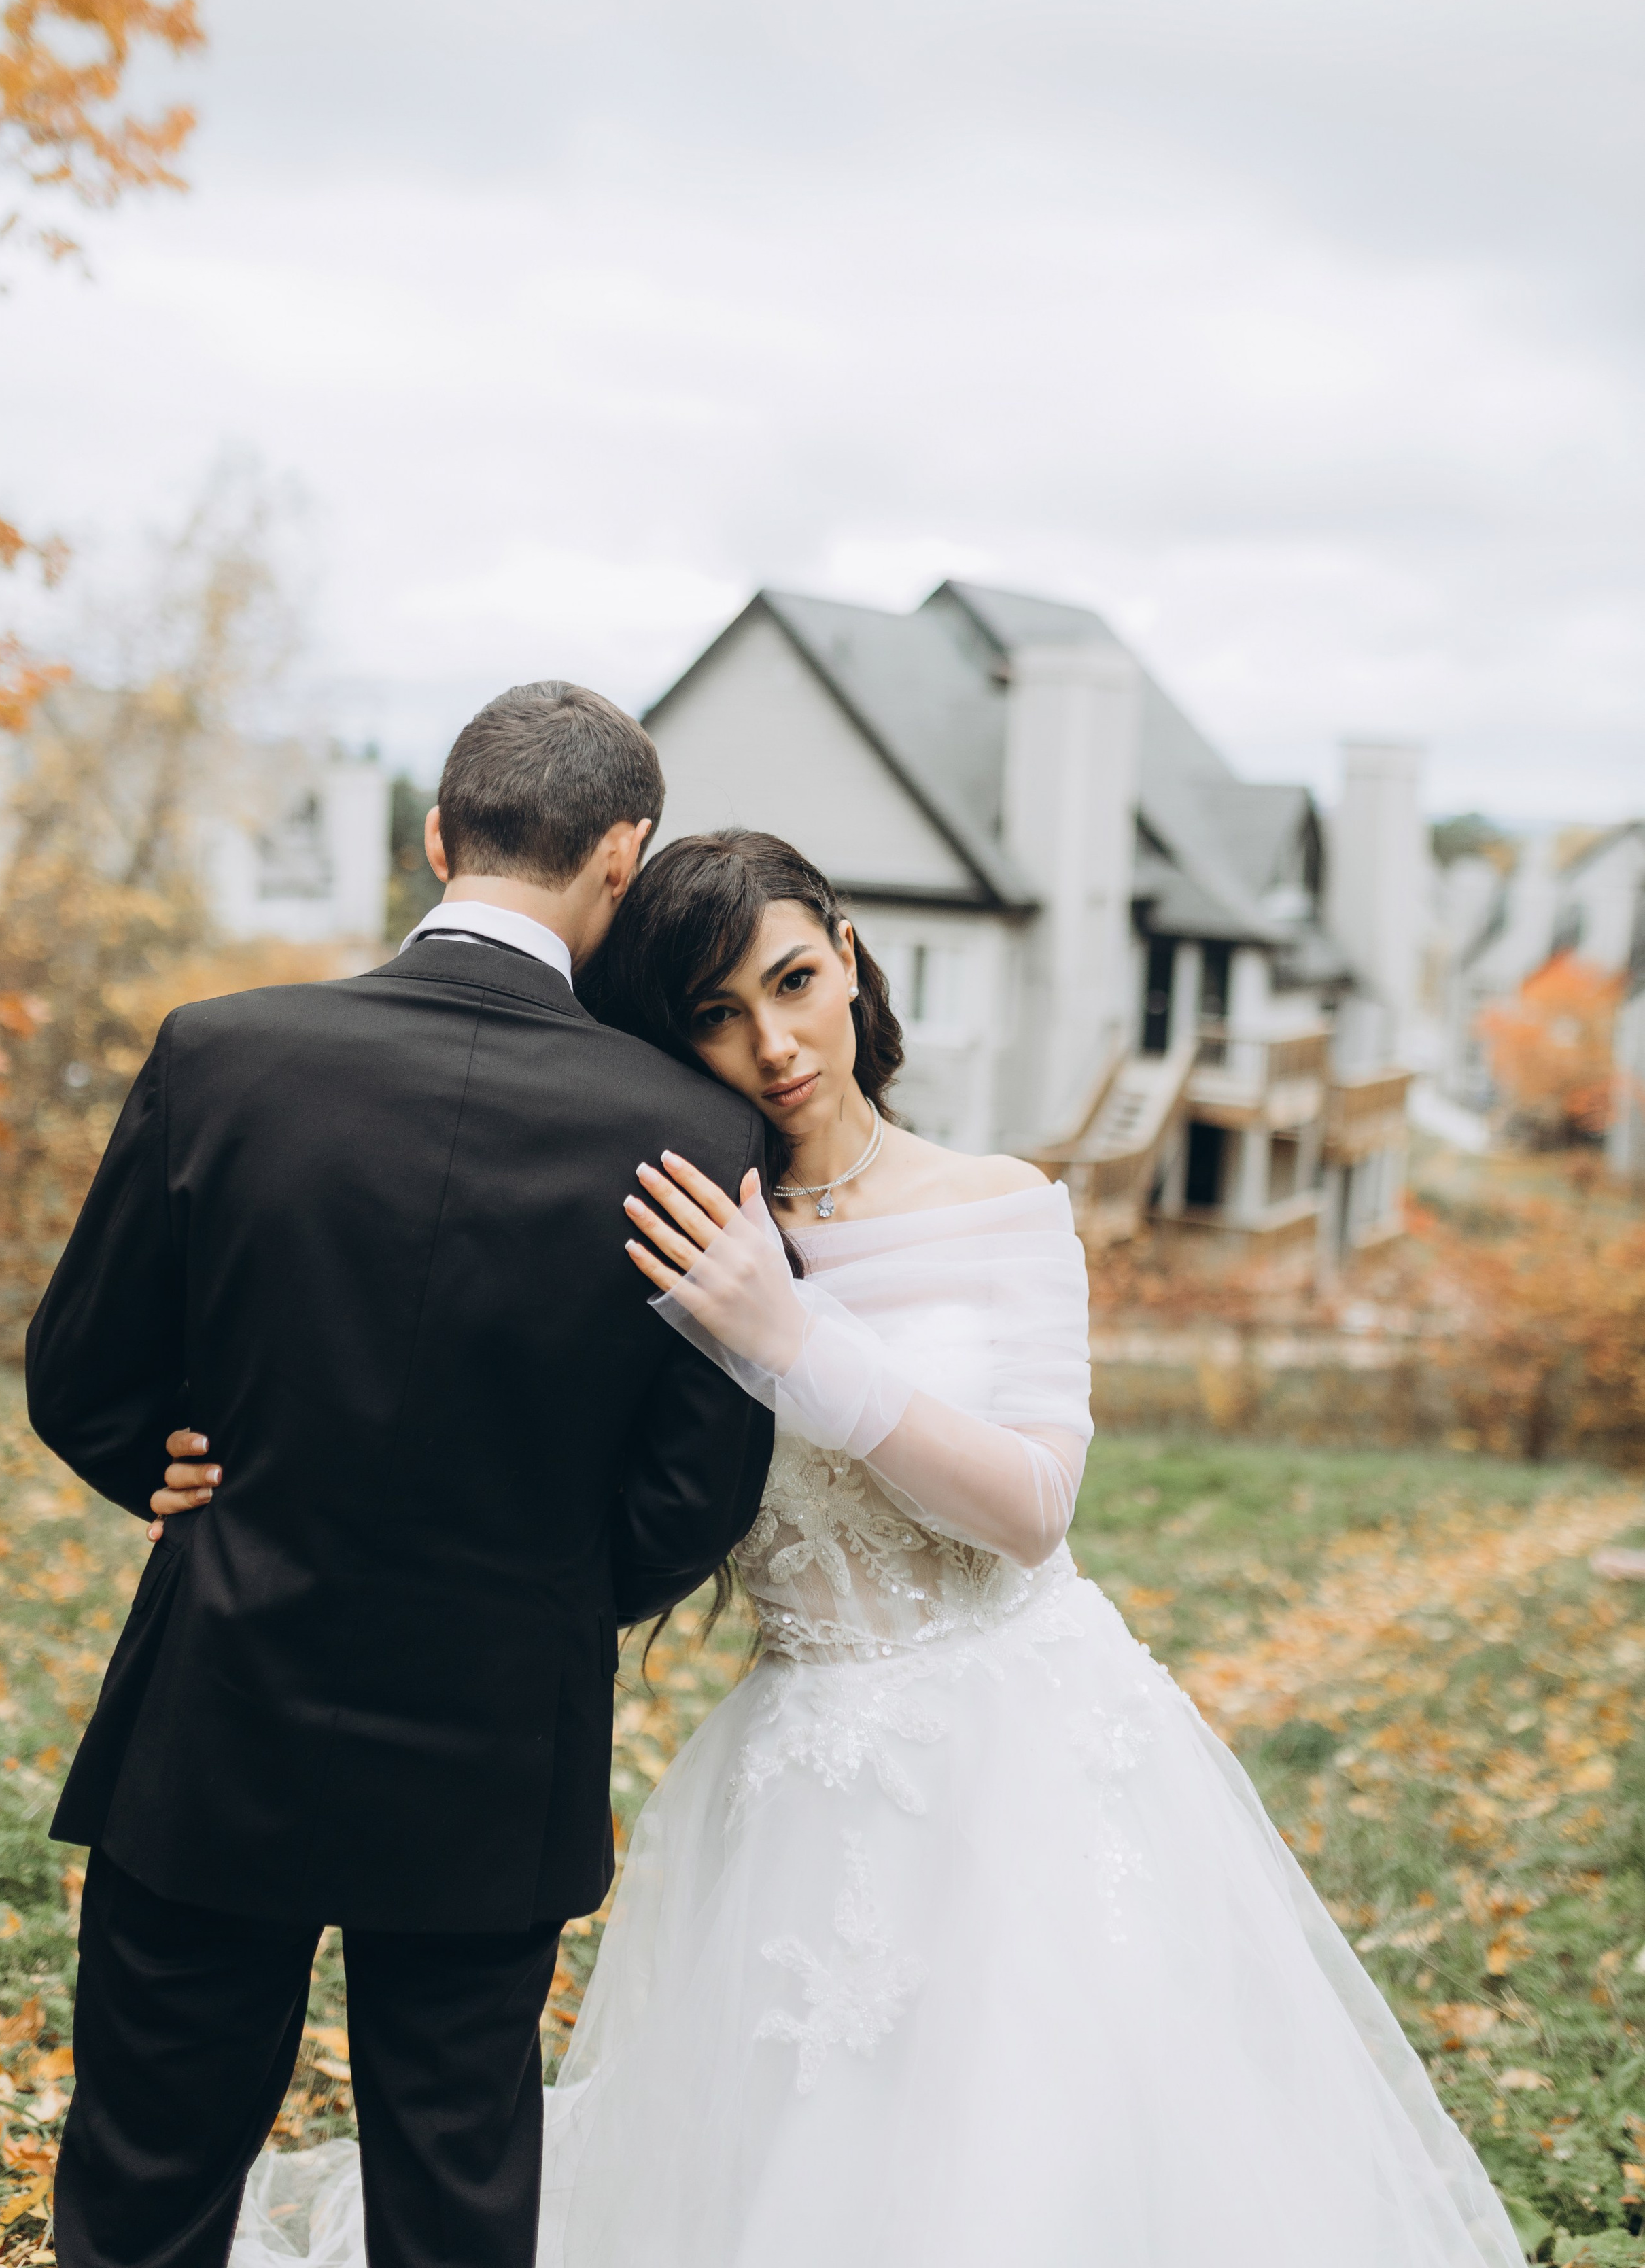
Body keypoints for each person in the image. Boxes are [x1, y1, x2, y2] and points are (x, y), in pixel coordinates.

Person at [198, 826, 1527, 2268]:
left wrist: (794, 1340)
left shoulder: (1001, 1205)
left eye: (792, 982)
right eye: (716, 1014)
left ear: (848, 961)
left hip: (1023, 1745)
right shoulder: (678, 1232)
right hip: (805, 1779)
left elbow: (1034, 1505)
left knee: (1043, 2143)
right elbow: (501, 1435)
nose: (773, 1044)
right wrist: (229, 1468)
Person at [23, 686, 774, 2268]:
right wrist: (545, 1592)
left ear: (438, 838)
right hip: (496, 1752)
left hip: (217, 1707)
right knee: (453, 2191)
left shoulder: (222, 1056)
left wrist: (172, 1469)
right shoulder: (695, 1135)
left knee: (147, 2173)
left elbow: (81, 1371)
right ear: (622, 857)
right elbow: (695, 1491)